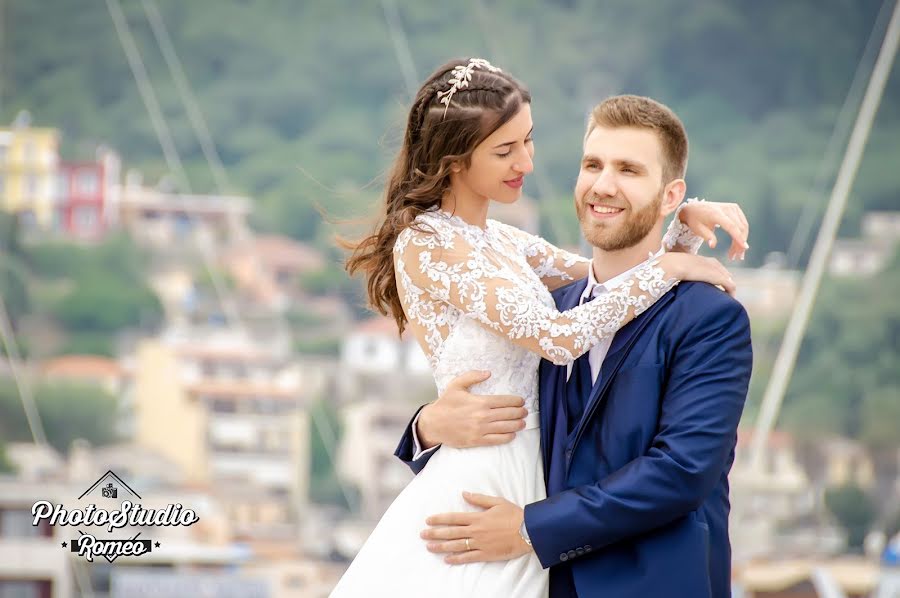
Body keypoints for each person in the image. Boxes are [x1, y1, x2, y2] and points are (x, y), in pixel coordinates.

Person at [332, 58, 748, 598]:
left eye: (528, 142)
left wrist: (681, 235)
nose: (526, 162)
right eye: (591, 163)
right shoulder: (443, 250)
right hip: (492, 507)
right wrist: (427, 426)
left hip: (621, 566)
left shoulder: (704, 318)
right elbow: (559, 337)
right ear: (457, 159)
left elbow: (681, 471)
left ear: (668, 193)